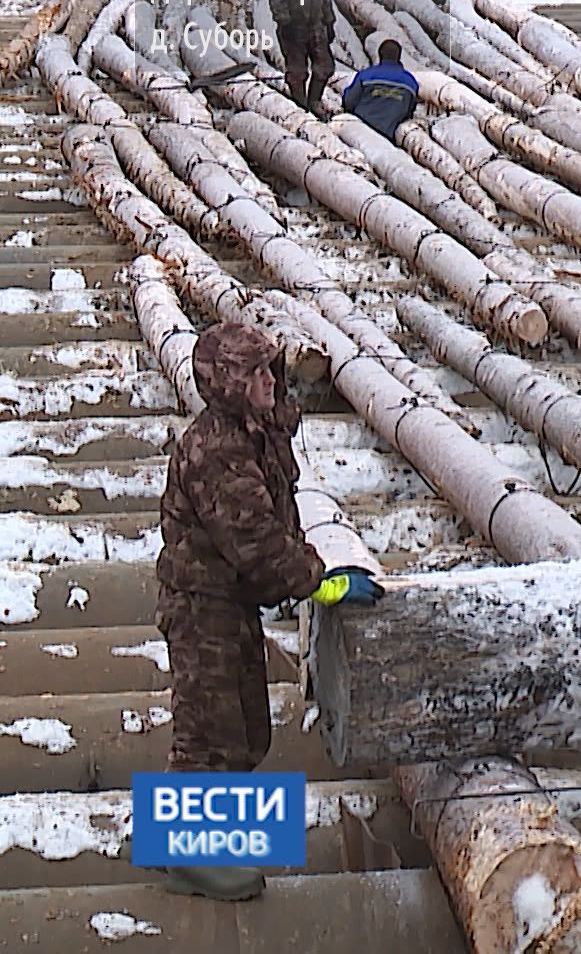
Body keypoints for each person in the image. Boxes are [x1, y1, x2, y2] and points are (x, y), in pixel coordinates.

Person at [154, 323, 382, 900]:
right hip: (201, 606)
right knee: (210, 733)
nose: (269, 382)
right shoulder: (217, 453)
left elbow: (279, 501)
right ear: (227, 385)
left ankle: (195, 842)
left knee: (248, 730)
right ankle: (185, 859)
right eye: (255, 373)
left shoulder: (254, 432)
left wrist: (280, 412)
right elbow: (256, 542)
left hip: (231, 602)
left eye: (270, 371)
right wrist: (319, 583)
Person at [268, 0, 335, 114]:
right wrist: (285, 22)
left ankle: (314, 101)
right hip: (293, 27)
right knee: (297, 72)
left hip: (316, 27)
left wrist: (329, 22)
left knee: (325, 67)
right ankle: (300, 105)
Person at [342, 39, 419, 140]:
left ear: (379, 55)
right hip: (389, 138)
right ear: (399, 56)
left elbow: (348, 102)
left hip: (359, 133)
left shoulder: (366, 75)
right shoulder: (411, 83)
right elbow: (409, 112)